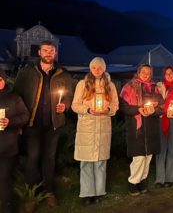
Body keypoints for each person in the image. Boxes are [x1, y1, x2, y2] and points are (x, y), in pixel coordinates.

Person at [13, 40, 74, 207]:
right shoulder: (27, 73)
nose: (49, 53)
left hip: (53, 125)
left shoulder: (63, 74)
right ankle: (31, 195)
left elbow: (68, 95)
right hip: (32, 124)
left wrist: (65, 105)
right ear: (39, 52)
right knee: (33, 158)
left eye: (52, 51)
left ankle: (49, 192)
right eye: (45, 50)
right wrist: (18, 121)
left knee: (49, 159)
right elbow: (16, 96)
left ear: (55, 53)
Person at [72, 57, 119, 204]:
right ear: (90, 69)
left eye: (100, 67)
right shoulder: (82, 84)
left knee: (100, 162)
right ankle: (87, 194)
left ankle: (99, 192)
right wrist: (87, 110)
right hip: (87, 128)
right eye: (94, 67)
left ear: (104, 68)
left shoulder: (110, 86)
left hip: (103, 127)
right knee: (86, 163)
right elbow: (75, 105)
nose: (97, 70)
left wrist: (109, 109)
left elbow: (115, 105)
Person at [120, 64, 163, 196]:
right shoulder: (129, 87)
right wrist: (137, 109)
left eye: (148, 72)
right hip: (136, 128)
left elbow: (162, 107)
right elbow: (123, 107)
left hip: (151, 127)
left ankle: (143, 181)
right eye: (143, 71)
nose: (145, 74)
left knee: (148, 157)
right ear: (138, 72)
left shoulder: (155, 88)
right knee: (138, 157)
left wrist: (153, 110)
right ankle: (133, 183)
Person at [0, 69, 29, 213]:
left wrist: (10, 122)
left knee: (5, 177)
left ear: (4, 81)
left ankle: (7, 206)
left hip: (7, 146)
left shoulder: (14, 98)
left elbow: (25, 116)